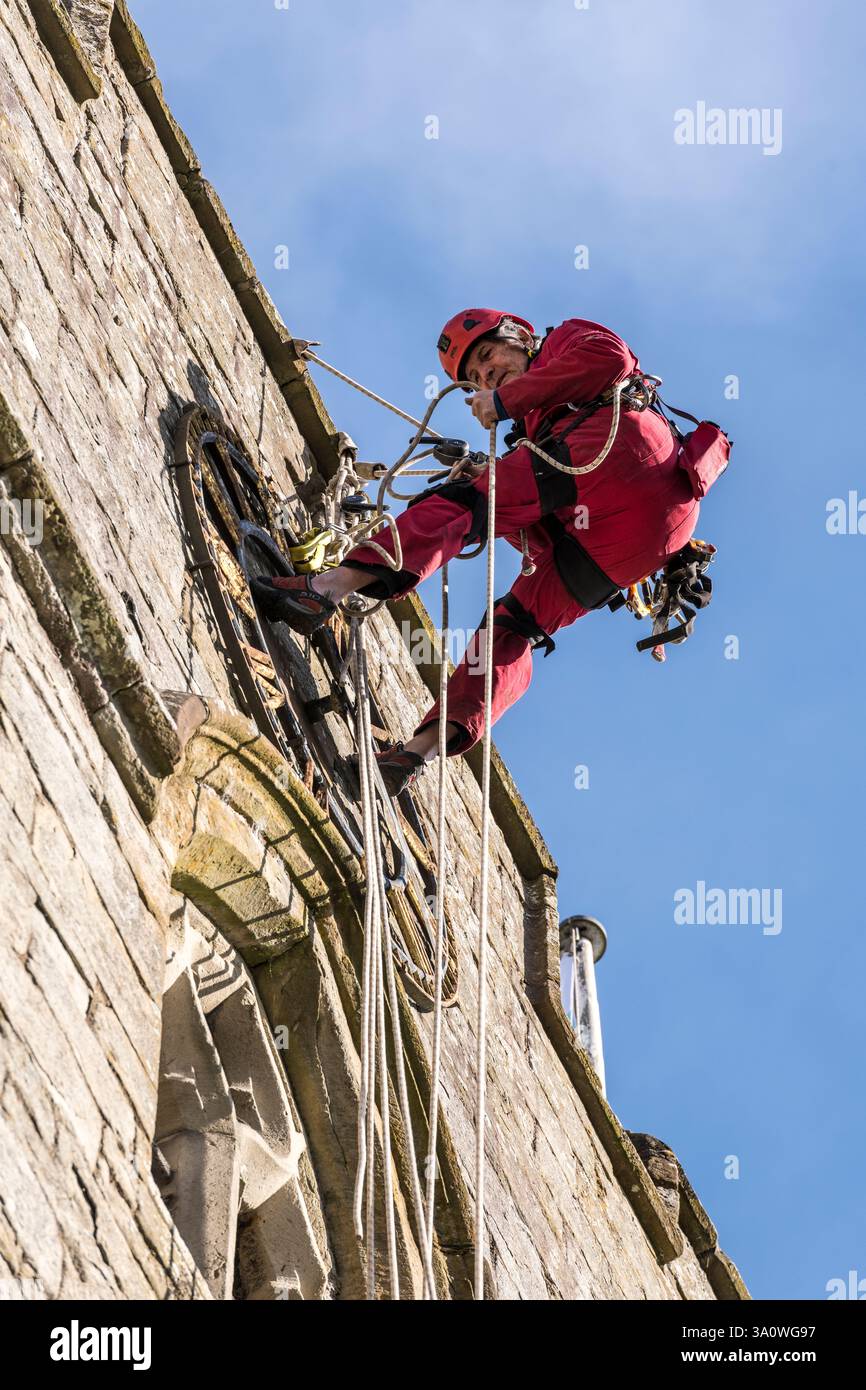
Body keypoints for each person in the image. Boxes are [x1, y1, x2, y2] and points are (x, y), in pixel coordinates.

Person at [252, 309, 700, 796]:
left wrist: (506, 402)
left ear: (521, 337)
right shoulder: (538, 431)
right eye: (475, 378)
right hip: (633, 541)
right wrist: (490, 462)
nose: (485, 375)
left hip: (628, 451)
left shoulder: (564, 341)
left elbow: (608, 359)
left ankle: (326, 588)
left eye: (488, 356)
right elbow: (537, 524)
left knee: (466, 506)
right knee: (511, 626)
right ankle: (416, 752)